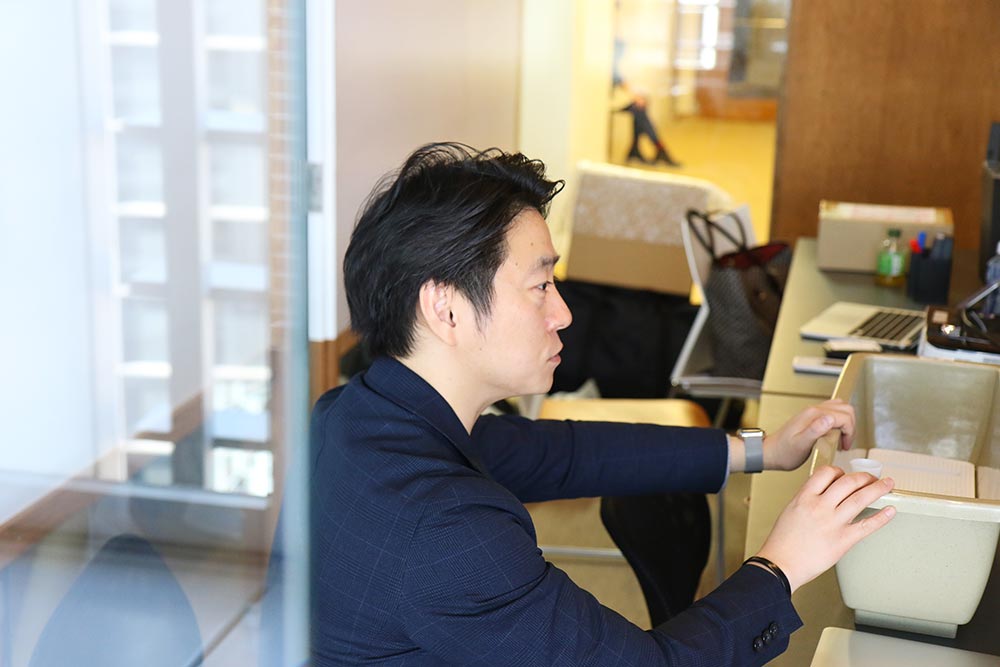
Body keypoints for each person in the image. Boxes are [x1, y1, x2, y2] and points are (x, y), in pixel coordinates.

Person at [311, 142, 896, 666]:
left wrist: (763, 449)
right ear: (446, 310)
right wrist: (782, 563)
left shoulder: (353, 415)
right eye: (541, 286)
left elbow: (569, 453)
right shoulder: (451, 531)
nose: (563, 313)